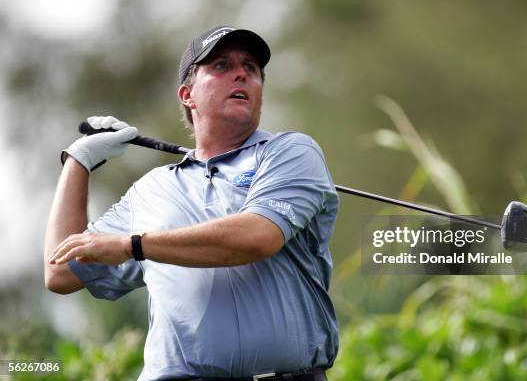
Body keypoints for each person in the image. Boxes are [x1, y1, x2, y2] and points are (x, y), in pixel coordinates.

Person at [44, 26, 339, 381]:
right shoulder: (151, 189)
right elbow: (60, 272)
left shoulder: (289, 153)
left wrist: (132, 245)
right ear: (188, 94)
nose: (241, 72)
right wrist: (79, 162)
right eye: (220, 66)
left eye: (251, 68)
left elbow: (258, 237)